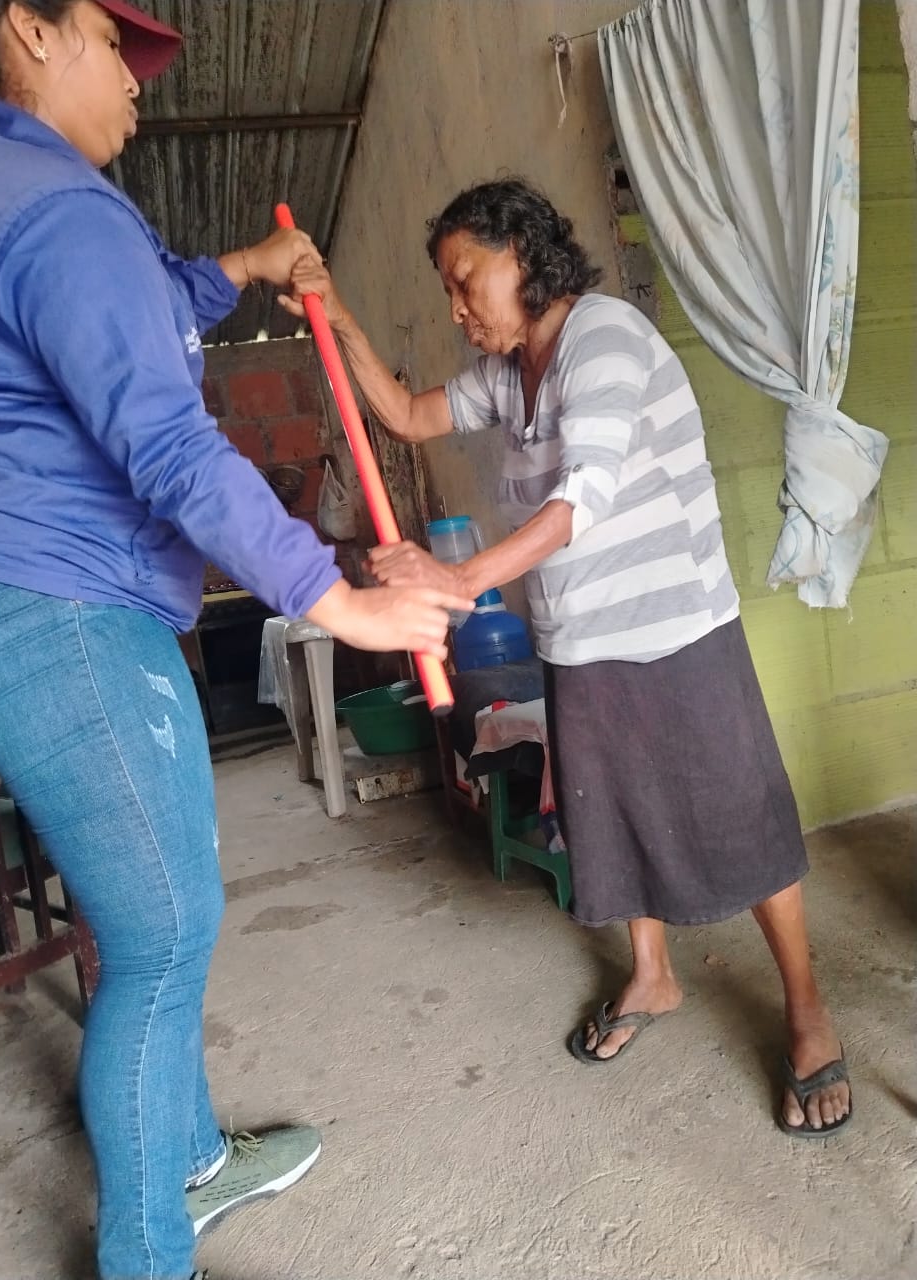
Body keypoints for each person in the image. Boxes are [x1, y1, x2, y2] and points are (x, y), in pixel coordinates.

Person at [0, 4, 473, 1279]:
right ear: (29, 29)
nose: (138, 81)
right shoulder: (54, 211)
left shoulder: (2, 193)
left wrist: (246, 264)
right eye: (111, 38)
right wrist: (336, 598)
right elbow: (171, 445)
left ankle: (191, 1159)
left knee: (161, 911)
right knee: (161, 933)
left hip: (25, 599)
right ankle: (148, 1251)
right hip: (63, 607)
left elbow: (152, 311)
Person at [280, 177, 853, 1141]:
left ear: (525, 257)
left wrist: (458, 579)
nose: (458, 308)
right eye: (450, 290)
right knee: (615, 817)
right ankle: (654, 975)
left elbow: (581, 499)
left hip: (674, 628)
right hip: (580, 640)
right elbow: (408, 415)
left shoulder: (604, 341)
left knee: (739, 812)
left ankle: (806, 1009)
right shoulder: (512, 373)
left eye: (467, 280)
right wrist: (335, 314)